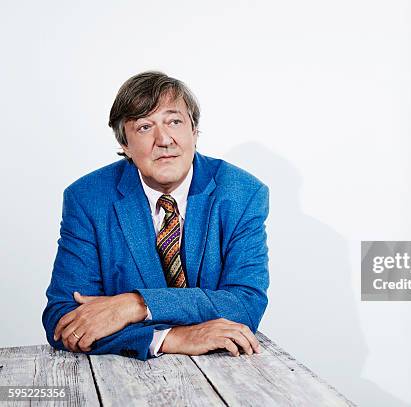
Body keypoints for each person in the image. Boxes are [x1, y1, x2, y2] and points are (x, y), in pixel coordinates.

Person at [42, 71, 269, 360]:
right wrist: (169, 337)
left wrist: (135, 305)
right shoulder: (88, 199)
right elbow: (64, 320)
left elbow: (245, 304)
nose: (164, 140)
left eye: (174, 121)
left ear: (194, 131)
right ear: (125, 144)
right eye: (145, 127)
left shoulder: (242, 194)